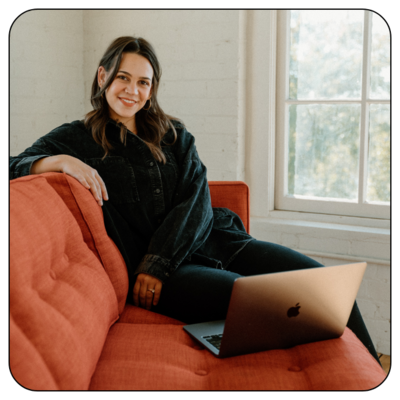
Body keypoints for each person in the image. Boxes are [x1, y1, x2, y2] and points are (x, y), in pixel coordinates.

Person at [10, 36, 381, 366]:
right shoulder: (76, 138)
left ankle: (372, 369)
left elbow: (196, 196)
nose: (132, 90)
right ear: (102, 76)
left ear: (152, 89)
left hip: (215, 240)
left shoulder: (174, 134)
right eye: (123, 77)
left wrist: (160, 261)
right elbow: (14, 164)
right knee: (253, 297)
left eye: (143, 82)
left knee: (326, 285)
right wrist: (56, 161)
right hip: (164, 278)